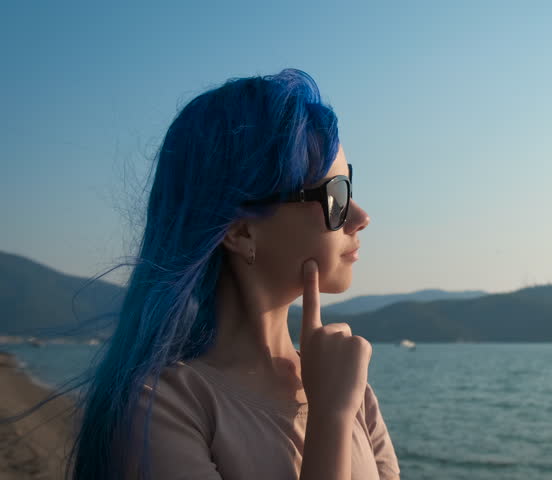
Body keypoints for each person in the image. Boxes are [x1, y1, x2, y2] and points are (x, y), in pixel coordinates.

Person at [68, 68, 401, 479]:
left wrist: (339, 401)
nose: (362, 216)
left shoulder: (350, 387)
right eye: (335, 195)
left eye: (348, 185)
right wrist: (330, 417)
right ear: (241, 231)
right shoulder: (161, 408)